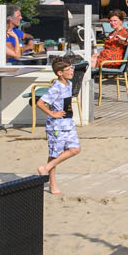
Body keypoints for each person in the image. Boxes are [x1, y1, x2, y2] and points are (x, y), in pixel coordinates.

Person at [37, 58, 81, 195]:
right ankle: (53, 184)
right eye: (69, 69)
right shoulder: (56, 87)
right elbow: (40, 103)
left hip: (68, 123)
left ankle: (46, 167)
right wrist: (52, 113)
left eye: (72, 68)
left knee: (75, 149)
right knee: (54, 153)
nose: (72, 71)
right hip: (57, 126)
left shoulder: (69, 83)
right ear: (60, 73)